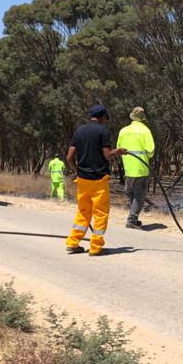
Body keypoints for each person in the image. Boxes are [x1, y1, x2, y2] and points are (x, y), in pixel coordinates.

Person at [65, 103, 126, 256]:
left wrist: (77, 170)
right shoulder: (103, 131)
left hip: (82, 180)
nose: (106, 120)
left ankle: (73, 243)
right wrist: (118, 151)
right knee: (100, 213)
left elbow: (69, 157)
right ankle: (95, 247)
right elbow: (107, 155)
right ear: (102, 117)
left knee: (83, 212)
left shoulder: (79, 131)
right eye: (106, 118)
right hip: (98, 180)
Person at [116, 106, 155, 228]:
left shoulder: (123, 130)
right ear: (142, 118)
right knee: (140, 195)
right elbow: (151, 151)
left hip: (128, 167)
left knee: (130, 192)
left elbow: (118, 148)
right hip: (141, 168)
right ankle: (132, 219)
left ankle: (133, 216)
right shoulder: (145, 131)